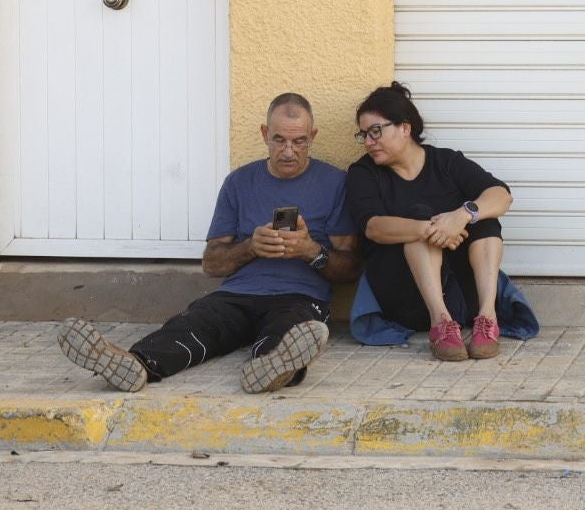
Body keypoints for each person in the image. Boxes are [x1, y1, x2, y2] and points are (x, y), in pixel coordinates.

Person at [56, 92, 360, 393]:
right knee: (194, 324)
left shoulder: (334, 183)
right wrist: (251, 247)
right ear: (265, 134)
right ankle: (136, 364)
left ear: (313, 136)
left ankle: (274, 367)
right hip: (236, 295)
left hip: (300, 296)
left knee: (289, 332)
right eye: (279, 140)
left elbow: (350, 269)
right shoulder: (239, 182)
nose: (289, 151)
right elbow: (211, 263)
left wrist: (309, 250)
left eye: (299, 141)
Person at [345, 82, 517, 361]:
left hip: (464, 291)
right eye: (363, 135)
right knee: (417, 217)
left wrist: (462, 216)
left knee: (484, 219)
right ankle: (440, 324)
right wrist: (431, 229)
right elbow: (372, 226)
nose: (368, 142)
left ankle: (487, 318)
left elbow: (501, 195)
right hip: (407, 296)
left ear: (405, 127)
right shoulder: (363, 174)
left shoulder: (446, 162)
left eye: (375, 132)